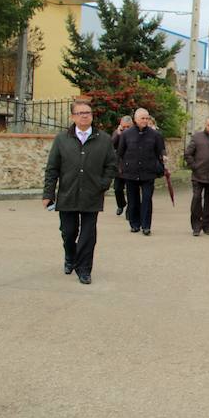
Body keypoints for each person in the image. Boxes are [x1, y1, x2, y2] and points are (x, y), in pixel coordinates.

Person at [43, 101, 117, 285]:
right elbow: (52, 168)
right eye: (80, 113)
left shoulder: (104, 139)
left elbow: (111, 166)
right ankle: (70, 257)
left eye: (88, 112)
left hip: (92, 194)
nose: (85, 115)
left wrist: (103, 184)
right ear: (73, 117)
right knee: (68, 232)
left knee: (88, 235)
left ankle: (84, 269)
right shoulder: (62, 139)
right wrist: (48, 193)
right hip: (68, 193)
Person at [117, 107, 166, 236]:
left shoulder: (155, 135)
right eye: (142, 118)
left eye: (147, 118)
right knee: (133, 200)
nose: (145, 120)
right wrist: (121, 168)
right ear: (135, 119)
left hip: (148, 172)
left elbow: (160, 153)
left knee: (147, 199)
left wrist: (161, 168)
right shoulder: (126, 134)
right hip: (131, 172)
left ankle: (146, 226)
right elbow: (120, 153)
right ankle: (134, 224)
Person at [110, 115, 132, 216]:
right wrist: (118, 134)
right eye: (124, 127)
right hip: (119, 166)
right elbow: (111, 145)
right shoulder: (117, 133)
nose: (126, 129)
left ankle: (130, 210)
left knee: (131, 190)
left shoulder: (135, 134)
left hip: (131, 166)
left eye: (128, 127)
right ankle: (121, 204)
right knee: (118, 189)